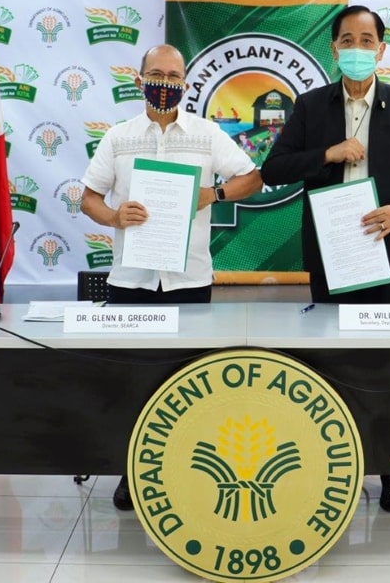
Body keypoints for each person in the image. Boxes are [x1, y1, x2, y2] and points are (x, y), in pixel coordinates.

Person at [260, 5, 390, 512]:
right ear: (333, 48)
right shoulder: (311, 106)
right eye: (347, 39)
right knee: (332, 365)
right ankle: (330, 464)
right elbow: (274, 167)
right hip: (333, 255)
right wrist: (327, 154)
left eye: (367, 40)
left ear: (382, 49)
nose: (357, 49)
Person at [80, 44, 262, 510]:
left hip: (189, 281)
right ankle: (129, 473)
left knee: (188, 383)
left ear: (186, 83)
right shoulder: (119, 137)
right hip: (131, 281)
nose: (165, 82)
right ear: (139, 80)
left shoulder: (207, 135)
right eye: (156, 74)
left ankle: (183, 471)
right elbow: (89, 199)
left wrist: (212, 193)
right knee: (132, 382)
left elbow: (252, 178)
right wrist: (115, 216)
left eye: (174, 75)